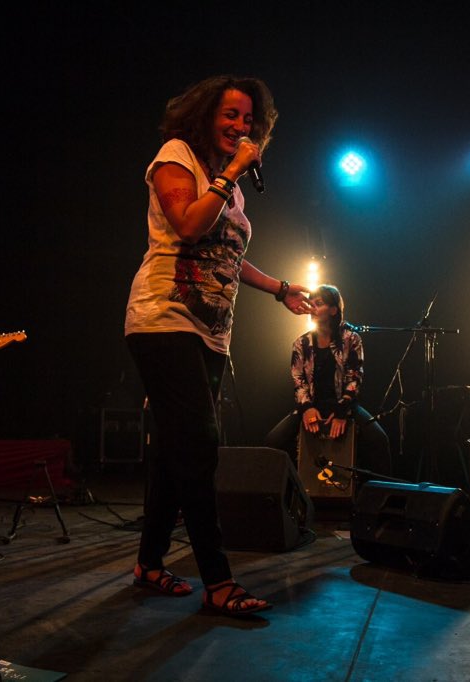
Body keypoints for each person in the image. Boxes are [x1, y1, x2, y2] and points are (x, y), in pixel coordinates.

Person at [124, 75, 312, 617]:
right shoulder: (176, 156)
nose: (240, 126)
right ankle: (218, 580)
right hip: (164, 318)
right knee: (201, 446)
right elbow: (186, 226)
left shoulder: (222, 185)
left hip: (211, 331)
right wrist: (229, 174)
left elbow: (225, 252)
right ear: (207, 115)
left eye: (249, 119)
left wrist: (277, 288)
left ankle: (149, 563)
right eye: (231, 115)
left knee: (173, 451)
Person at [264, 284, 392, 491]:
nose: (312, 307)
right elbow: (298, 380)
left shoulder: (351, 339)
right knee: (273, 442)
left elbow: (355, 377)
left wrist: (341, 411)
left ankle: (380, 503)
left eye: (319, 303)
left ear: (333, 310)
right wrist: (306, 409)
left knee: (379, 440)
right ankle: (284, 501)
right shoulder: (301, 343)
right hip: (312, 405)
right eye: (311, 302)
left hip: (344, 406)